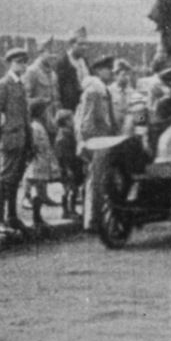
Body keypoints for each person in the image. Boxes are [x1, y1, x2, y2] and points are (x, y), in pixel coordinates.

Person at [0, 48, 33, 235]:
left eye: (24, 62)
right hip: (11, 139)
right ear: (11, 63)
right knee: (5, 179)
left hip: (22, 139)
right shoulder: (4, 84)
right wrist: (0, 135)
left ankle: (12, 217)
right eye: (19, 62)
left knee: (15, 179)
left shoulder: (20, 85)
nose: (23, 65)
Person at [75, 56, 119, 232]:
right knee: (95, 180)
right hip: (99, 141)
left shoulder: (103, 90)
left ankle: (96, 218)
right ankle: (92, 220)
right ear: (99, 71)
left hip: (107, 140)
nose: (111, 73)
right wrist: (89, 143)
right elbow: (87, 121)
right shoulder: (95, 91)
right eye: (109, 69)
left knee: (101, 180)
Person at [21, 37, 60, 209]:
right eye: (48, 52)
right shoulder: (32, 72)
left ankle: (42, 194)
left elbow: (57, 98)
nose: (52, 56)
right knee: (33, 160)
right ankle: (27, 195)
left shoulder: (52, 73)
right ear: (41, 52)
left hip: (50, 120)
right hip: (36, 121)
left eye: (53, 53)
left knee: (45, 159)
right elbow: (25, 98)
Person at [23, 100, 59, 234]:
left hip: (42, 162)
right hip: (37, 162)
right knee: (36, 190)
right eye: (45, 111)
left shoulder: (40, 126)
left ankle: (38, 218)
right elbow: (33, 145)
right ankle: (36, 218)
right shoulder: (35, 127)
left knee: (39, 189)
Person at [54, 109, 83, 220]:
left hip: (70, 165)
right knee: (70, 189)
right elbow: (63, 154)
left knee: (70, 189)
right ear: (66, 121)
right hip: (68, 166)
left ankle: (69, 210)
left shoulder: (66, 133)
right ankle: (69, 210)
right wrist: (67, 168)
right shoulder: (64, 135)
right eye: (71, 119)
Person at [57, 27, 89, 111]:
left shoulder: (85, 61)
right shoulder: (63, 63)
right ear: (71, 44)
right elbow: (59, 89)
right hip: (69, 108)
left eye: (86, 44)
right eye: (80, 44)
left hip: (85, 106)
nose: (84, 47)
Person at [109, 59, 134, 133]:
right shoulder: (109, 91)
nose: (127, 77)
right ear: (115, 76)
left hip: (128, 132)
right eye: (123, 74)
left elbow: (140, 116)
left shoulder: (133, 93)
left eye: (128, 74)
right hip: (112, 131)